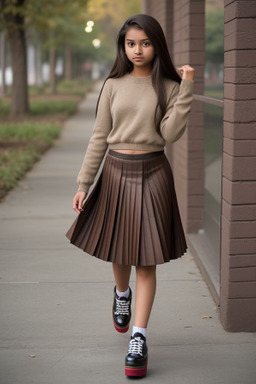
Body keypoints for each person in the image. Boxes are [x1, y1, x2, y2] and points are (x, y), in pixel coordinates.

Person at [66, 13, 194, 377]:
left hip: (154, 172)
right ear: (123, 46)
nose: (138, 50)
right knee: (120, 248)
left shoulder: (168, 85)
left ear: (157, 45)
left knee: (147, 259)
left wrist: (185, 89)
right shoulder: (112, 85)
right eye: (131, 43)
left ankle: (138, 337)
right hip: (116, 171)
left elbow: (171, 134)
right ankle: (121, 295)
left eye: (145, 43)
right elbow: (99, 136)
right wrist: (83, 183)